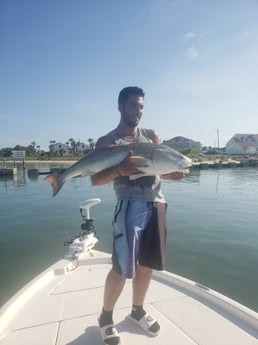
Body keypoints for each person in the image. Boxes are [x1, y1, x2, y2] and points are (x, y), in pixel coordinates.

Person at [91, 86, 183, 345]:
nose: (138, 111)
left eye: (141, 106)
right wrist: (120, 170)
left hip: (157, 204)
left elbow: (156, 169)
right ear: (120, 106)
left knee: (147, 265)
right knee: (121, 268)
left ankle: (137, 310)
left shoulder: (151, 135)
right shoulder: (107, 142)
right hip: (129, 206)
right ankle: (106, 318)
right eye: (133, 106)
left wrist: (171, 174)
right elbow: (96, 179)